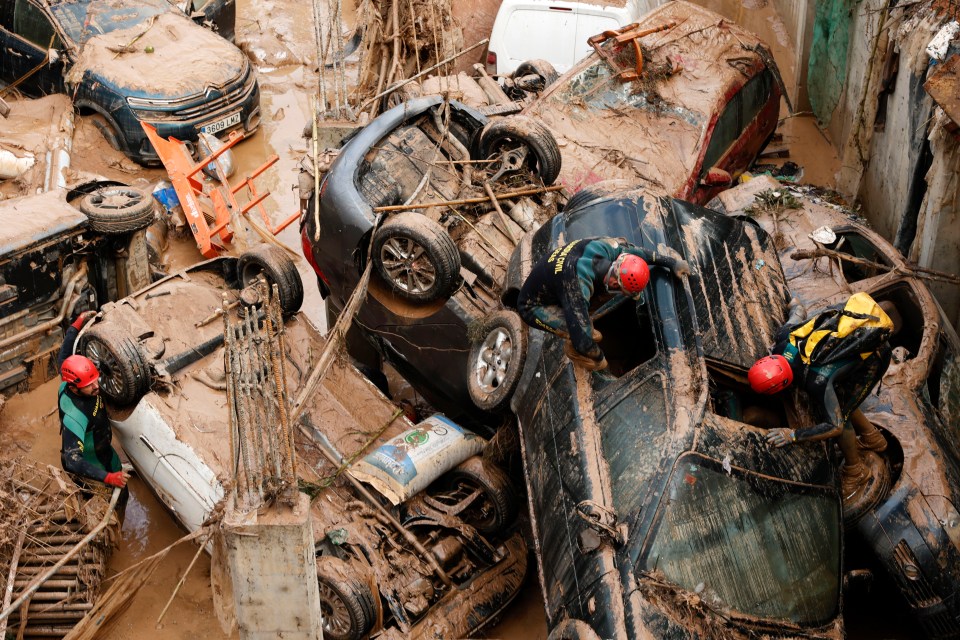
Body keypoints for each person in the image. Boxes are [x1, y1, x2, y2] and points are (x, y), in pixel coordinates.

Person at [749, 294, 898, 505]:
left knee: (842, 415)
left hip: (874, 357)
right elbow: (797, 312)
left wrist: (793, 435)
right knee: (839, 400)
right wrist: (793, 302)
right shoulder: (783, 340)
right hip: (848, 350)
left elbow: (834, 427)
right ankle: (872, 438)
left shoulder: (816, 381)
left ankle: (856, 471)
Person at [517, 237, 689, 371]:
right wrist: (601, 361)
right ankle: (577, 354)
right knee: (586, 335)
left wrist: (670, 262)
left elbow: (639, 253)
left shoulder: (607, 248)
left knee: (583, 317)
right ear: (615, 284)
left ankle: (576, 315)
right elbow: (583, 342)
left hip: (556, 276)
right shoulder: (577, 286)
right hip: (533, 305)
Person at [57, 311, 130, 500]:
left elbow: (65, 353)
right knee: (117, 499)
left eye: (95, 379)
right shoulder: (75, 415)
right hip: (92, 465)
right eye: (88, 385)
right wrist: (109, 477)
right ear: (73, 387)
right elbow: (72, 459)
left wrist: (77, 323)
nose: (97, 386)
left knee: (121, 484)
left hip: (104, 449)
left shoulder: (69, 377)